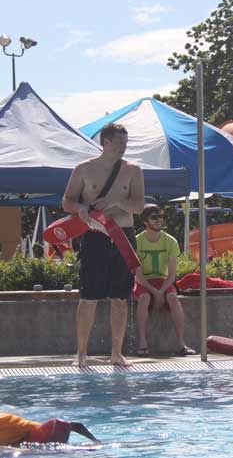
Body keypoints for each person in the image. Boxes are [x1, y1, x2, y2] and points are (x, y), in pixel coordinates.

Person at [62, 123, 145, 368]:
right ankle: (81, 354)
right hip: (94, 236)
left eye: (126, 142)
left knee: (120, 297)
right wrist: (82, 208)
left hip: (122, 234)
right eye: (119, 142)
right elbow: (67, 200)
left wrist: (117, 199)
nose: (124, 146)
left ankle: (116, 353)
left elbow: (139, 207)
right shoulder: (84, 169)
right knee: (89, 297)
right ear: (106, 142)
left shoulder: (133, 170)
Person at [134, 204, 196, 357]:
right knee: (144, 298)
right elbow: (138, 276)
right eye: (154, 217)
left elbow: (172, 274)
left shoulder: (170, 241)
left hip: (163, 282)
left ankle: (181, 343)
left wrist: (161, 292)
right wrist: (155, 293)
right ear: (145, 222)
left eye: (160, 216)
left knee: (173, 298)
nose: (158, 220)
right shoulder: (137, 241)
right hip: (144, 282)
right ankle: (142, 342)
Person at [0, 412, 98, 447]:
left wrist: (95, 441)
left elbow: (75, 426)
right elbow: (77, 426)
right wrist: (95, 440)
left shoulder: (51, 428)